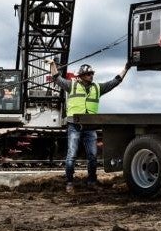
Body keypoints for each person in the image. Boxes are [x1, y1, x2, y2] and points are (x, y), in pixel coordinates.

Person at [49, 60, 130, 192]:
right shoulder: (72, 86)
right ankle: (69, 182)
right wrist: (52, 64)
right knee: (72, 155)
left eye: (92, 73)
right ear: (81, 76)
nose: (91, 76)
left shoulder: (97, 88)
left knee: (92, 156)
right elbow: (56, 78)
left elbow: (115, 82)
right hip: (74, 125)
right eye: (88, 74)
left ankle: (91, 182)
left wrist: (126, 68)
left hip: (90, 127)